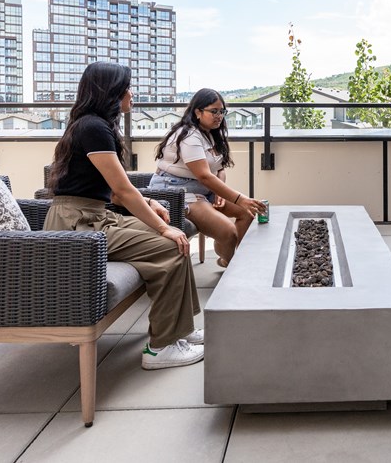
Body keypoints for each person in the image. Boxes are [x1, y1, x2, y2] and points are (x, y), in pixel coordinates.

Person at [45, 62, 204, 370]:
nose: (132, 93)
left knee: (172, 236)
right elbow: (122, 189)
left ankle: (179, 329)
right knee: (171, 245)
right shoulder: (93, 127)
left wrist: (151, 204)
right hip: (78, 223)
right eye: (126, 87)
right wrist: (160, 225)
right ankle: (161, 348)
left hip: (93, 215)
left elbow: (116, 193)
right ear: (110, 92)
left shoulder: (93, 125)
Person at [150, 88, 267, 267]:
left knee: (246, 213)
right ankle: (230, 261)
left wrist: (219, 190)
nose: (219, 116)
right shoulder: (189, 136)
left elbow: (219, 170)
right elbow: (204, 176)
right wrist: (240, 198)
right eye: (214, 111)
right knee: (229, 232)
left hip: (202, 190)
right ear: (198, 112)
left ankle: (225, 257)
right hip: (178, 191)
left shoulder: (210, 134)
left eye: (222, 111)